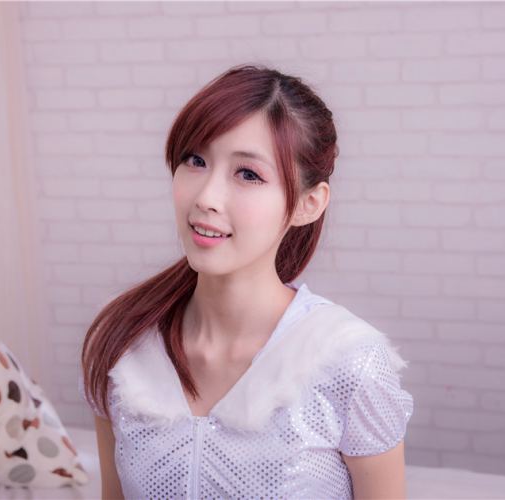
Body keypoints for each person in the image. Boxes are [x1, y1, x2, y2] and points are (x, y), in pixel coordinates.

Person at [81, 63, 414, 499]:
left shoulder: (349, 362)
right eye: (195, 160)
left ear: (309, 204)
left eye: (248, 174)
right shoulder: (121, 341)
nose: (206, 197)